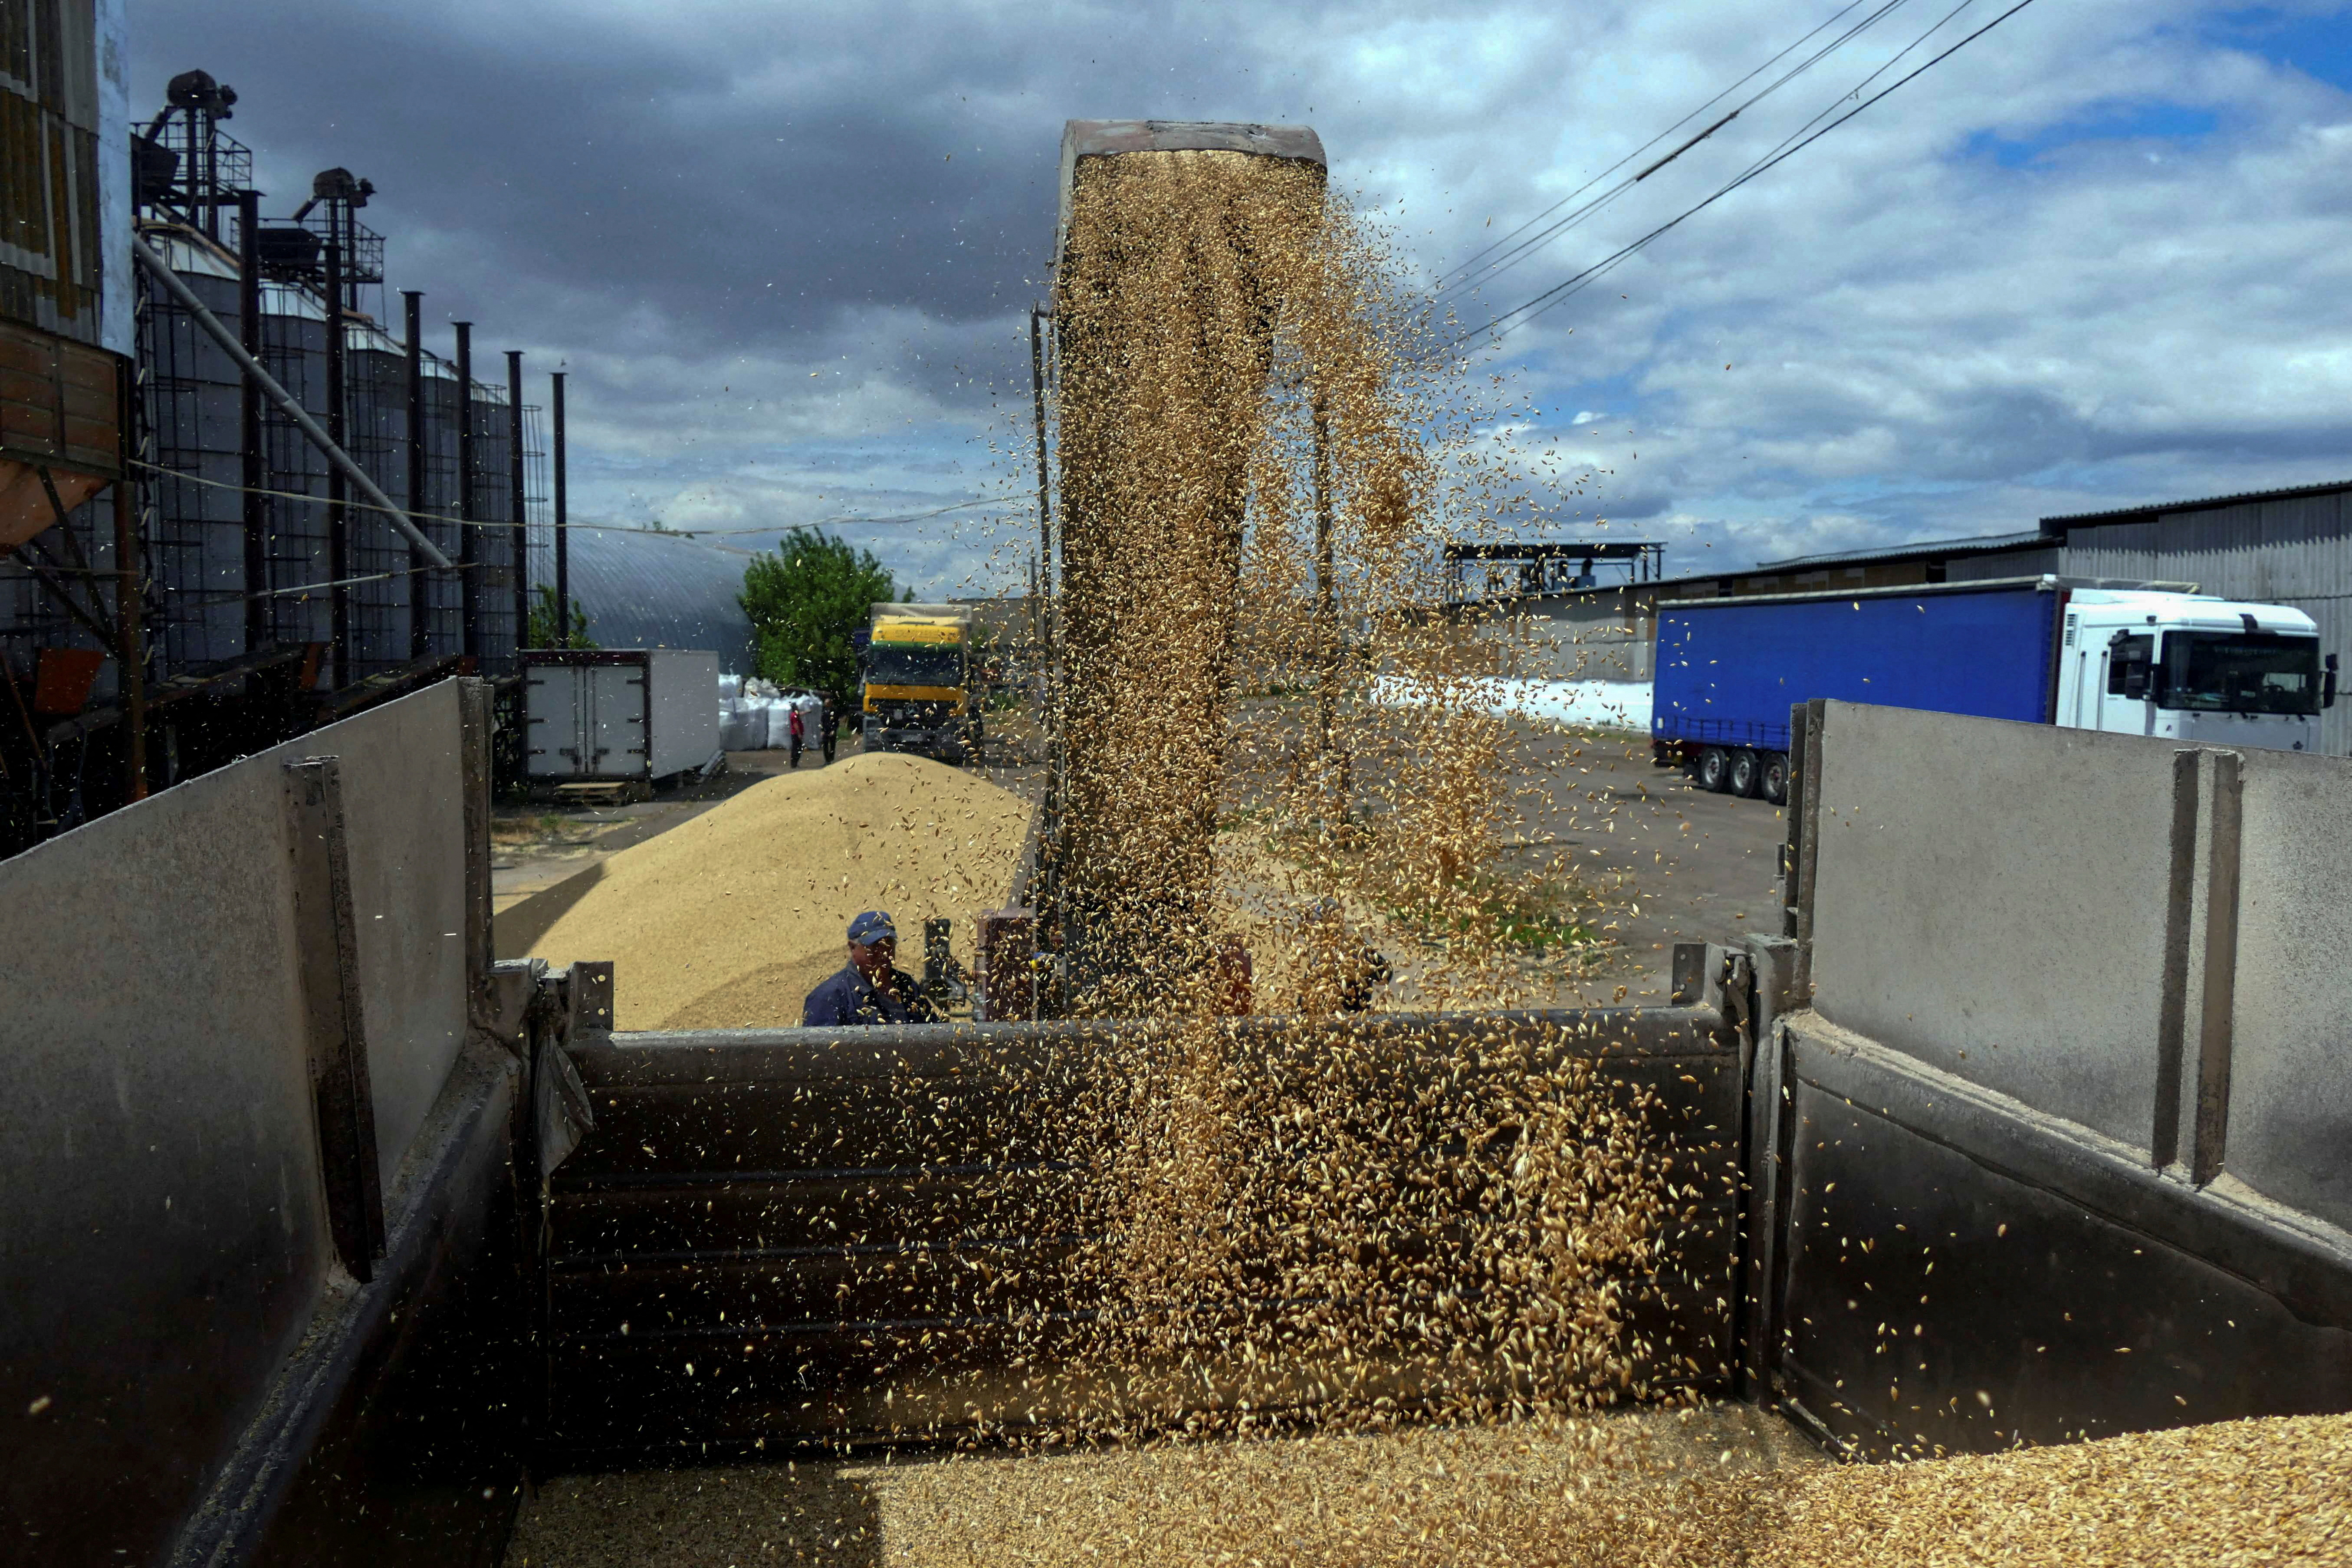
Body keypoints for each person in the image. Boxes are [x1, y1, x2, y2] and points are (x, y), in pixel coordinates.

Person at [802, 911, 939, 1027]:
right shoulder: (829, 997)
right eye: (875, 946)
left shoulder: (907, 986)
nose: (884, 953)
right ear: (852, 947)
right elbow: (818, 1054)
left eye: (889, 944)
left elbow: (934, 1036)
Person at [787, 700, 805, 769]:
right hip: (796, 735)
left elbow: (800, 714)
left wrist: (807, 712)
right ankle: (794, 764)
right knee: (796, 749)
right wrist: (799, 734)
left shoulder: (795, 714)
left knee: (798, 749)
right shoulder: (794, 715)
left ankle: (795, 764)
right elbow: (796, 725)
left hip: (796, 734)